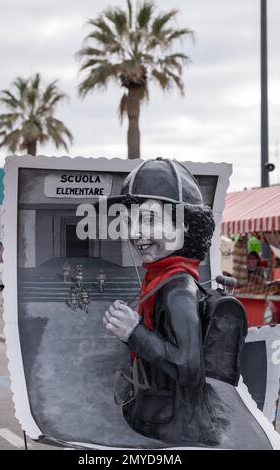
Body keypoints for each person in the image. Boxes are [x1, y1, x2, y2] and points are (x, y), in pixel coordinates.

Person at [101, 158, 273, 449]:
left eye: (150, 220)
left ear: (185, 225)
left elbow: (189, 370)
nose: (135, 233)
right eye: (131, 221)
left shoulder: (177, 291)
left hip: (170, 426)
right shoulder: (163, 280)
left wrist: (134, 332)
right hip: (163, 419)